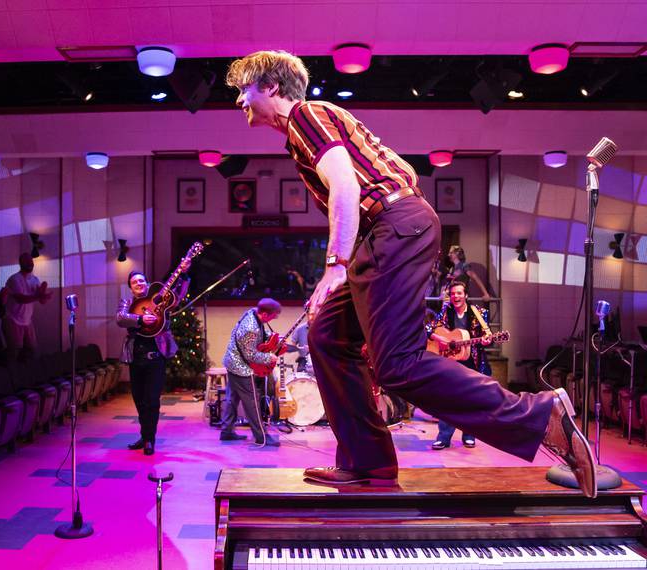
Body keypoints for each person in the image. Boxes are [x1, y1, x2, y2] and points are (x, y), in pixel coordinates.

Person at [225, 50, 597, 497]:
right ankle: (368, 464)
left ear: (270, 86)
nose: (239, 101)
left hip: (393, 225)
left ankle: (540, 415)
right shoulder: (303, 128)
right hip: (385, 232)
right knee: (326, 336)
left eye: (243, 89)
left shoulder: (307, 115)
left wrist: (335, 266)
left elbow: (345, 185)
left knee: (396, 364)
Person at [116, 265, 190, 456]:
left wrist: (184, 273)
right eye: (134, 282)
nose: (138, 284)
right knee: (139, 400)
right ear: (130, 288)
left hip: (156, 358)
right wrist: (140, 320)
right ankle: (144, 435)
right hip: (135, 359)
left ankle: (150, 439)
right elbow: (120, 318)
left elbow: (178, 296)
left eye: (141, 280)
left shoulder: (159, 301)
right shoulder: (127, 302)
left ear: (147, 284)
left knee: (151, 401)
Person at [426, 278, 492, 449]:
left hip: (473, 362)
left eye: (459, 293)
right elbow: (428, 329)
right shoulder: (446, 311)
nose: (455, 296)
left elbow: (488, 336)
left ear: (466, 295)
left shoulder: (479, 312)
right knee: (447, 399)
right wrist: (442, 340)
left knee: (471, 400)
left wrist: (487, 341)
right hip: (450, 361)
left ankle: (469, 435)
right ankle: (444, 437)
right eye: (453, 293)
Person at [219, 298, 282, 447]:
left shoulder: (253, 312)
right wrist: (269, 357)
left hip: (232, 362)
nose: (274, 319)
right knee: (252, 402)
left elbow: (258, 336)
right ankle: (262, 437)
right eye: (273, 316)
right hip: (240, 367)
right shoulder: (250, 328)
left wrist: (271, 338)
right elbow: (250, 355)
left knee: (232, 399)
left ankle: (227, 432)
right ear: (265, 314)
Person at [3, 252, 51, 363]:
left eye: (31, 261)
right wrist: (39, 295)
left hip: (27, 321)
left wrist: (44, 295)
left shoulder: (34, 279)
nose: (30, 263)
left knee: (32, 351)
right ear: (21, 263)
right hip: (13, 320)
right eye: (27, 262)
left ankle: (27, 377)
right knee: (14, 353)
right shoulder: (15, 279)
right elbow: (21, 299)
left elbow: (41, 301)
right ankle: (10, 376)